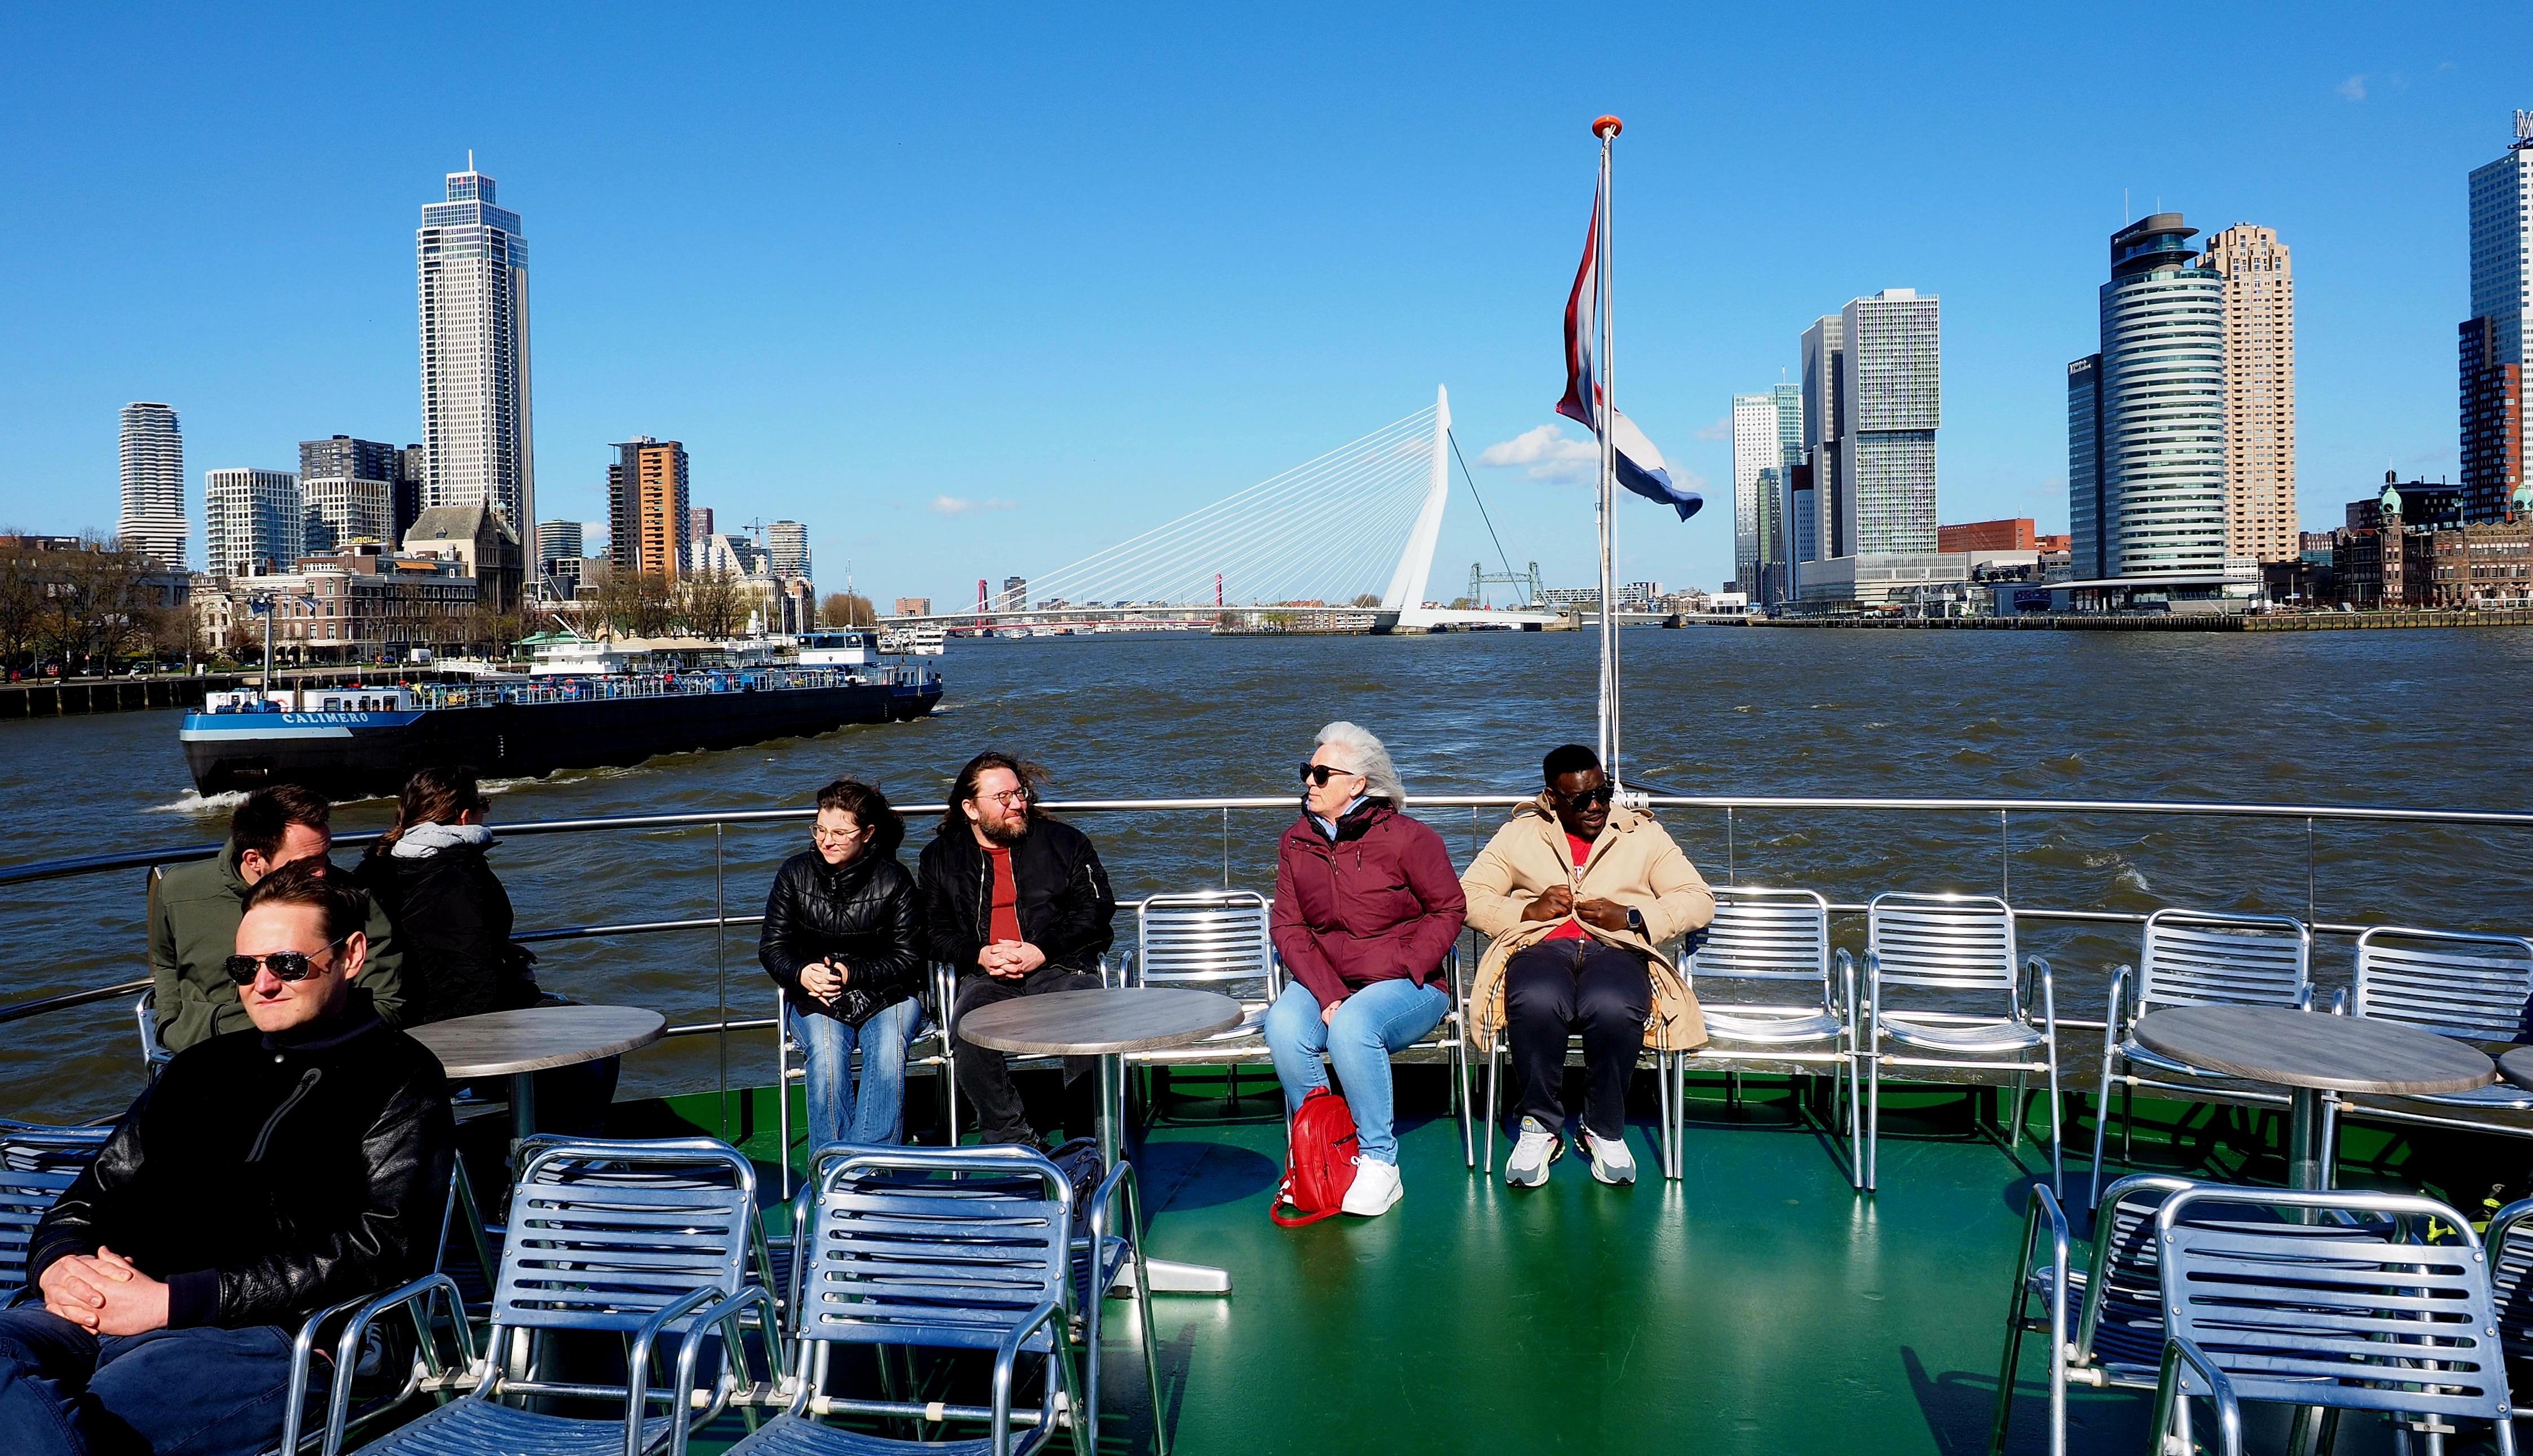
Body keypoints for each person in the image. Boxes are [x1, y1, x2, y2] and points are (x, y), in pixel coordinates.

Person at [0, 861, 455, 1456]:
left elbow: (381, 1244)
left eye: (288, 963)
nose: (262, 984)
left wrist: (176, 1300)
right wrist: (59, 1263)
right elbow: (94, 1191)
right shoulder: (200, 1067)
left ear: (351, 954)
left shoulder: (401, 1078)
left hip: (262, 1333)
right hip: (104, 1306)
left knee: (86, 1428)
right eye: (245, 967)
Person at [1462, 744, 1715, 1189]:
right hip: (1541, 946)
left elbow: (1697, 899)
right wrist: (1525, 913)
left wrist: (1635, 917)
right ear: (1552, 798)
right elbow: (1467, 896)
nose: (1596, 806)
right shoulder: (1519, 835)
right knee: (1536, 1000)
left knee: (1614, 1005)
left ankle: (1603, 1127)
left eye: (1603, 792)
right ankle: (1539, 1125)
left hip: (1615, 949)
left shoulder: (1643, 835)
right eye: (1581, 799)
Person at [1262, 722, 1466, 1217]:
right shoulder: (1296, 842)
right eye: (1306, 771)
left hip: (1407, 984)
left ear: (1357, 785)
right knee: (1284, 1025)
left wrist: (1406, 964)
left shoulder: (1409, 839)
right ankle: (1319, 1149)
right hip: (1330, 979)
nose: (1308, 781)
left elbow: (1449, 909)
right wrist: (1329, 993)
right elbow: (1288, 926)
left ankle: (1379, 1162)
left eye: (1320, 773)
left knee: (1353, 1027)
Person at [919, 752, 1117, 1148]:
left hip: (1058, 967)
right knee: (967, 1028)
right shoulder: (941, 857)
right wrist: (979, 954)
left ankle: (1087, 1136)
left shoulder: (1066, 843)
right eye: (1003, 797)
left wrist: (1041, 950)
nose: (1017, 804)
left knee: (1090, 1014)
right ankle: (1011, 1136)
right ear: (971, 809)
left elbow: (1095, 910)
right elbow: (928, 931)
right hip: (986, 976)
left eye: (1019, 793)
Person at [148, 783, 404, 1052]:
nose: (321, 874)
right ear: (254, 859)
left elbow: (386, 1003)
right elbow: (165, 963)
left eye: (325, 857)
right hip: (194, 1056)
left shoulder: (354, 899)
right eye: (305, 864)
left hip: (311, 1062)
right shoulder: (179, 889)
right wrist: (170, 1024)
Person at [759, 778, 926, 1146]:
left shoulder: (895, 880)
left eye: (840, 832)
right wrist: (803, 973)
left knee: (887, 1047)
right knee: (827, 1051)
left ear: (867, 833)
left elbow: (909, 958)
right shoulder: (794, 873)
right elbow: (772, 948)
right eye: (819, 829)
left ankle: (866, 1163)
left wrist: (853, 972)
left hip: (889, 995)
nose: (826, 840)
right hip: (816, 994)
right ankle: (833, 1161)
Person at [354, 766, 539, 1026]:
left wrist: (499, 947)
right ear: (464, 818)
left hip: (391, 1004)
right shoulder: (455, 875)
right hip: (446, 1014)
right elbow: (471, 974)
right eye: (483, 805)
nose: (485, 813)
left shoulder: (375, 865)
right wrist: (524, 990)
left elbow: (426, 932)